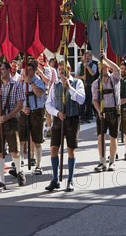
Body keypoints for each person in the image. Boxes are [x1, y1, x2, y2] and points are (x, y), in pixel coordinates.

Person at [45, 60, 85, 192]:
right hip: (58, 120)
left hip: (72, 119)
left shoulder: (77, 83)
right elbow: (48, 104)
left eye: (63, 69)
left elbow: (81, 99)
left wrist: (69, 87)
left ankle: (70, 180)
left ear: (69, 68)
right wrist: (57, 113)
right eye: (60, 69)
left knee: (70, 150)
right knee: (53, 149)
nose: (61, 71)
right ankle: (55, 179)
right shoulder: (55, 85)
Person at [0, 61, 25, 192]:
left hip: (11, 120)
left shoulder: (17, 85)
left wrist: (8, 116)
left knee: (14, 149)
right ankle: (1, 181)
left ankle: (19, 171)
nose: (1, 72)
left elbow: (19, 105)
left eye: (3, 69)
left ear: (9, 70)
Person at [13, 59, 46, 176]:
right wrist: (22, 108)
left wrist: (30, 82)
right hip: (24, 112)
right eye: (27, 69)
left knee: (37, 140)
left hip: (36, 112)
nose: (28, 72)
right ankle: (19, 164)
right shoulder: (20, 82)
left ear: (35, 70)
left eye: (30, 70)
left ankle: (38, 165)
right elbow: (16, 98)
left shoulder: (38, 81)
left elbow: (39, 93)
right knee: (21, 139)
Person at [92, 54, 121, 172]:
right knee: (100, 138)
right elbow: (94, 99)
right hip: (102, 112)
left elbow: (117, 69)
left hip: (114, 111)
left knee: (113, 137)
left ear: (108, 68)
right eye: (101, 67)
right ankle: (102, 161)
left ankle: (112, 161)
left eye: (105, 67)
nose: (103, 69)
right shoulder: (96, 83)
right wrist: (99, 111)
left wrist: (106, 59)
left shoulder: (114, 78)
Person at [76, 50, 99, 123]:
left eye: (88, 56)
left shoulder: (94, 64)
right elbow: (76, 76)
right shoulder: (80, 64)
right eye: (86, 56)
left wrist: (87, 67)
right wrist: (82, 77)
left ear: (91, 57)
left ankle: (88, 116)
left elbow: (93, 73)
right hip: (82, 85)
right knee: (82, 101)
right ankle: (81, 116)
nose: (87, 57)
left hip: (90, 85)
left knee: (89, 101)